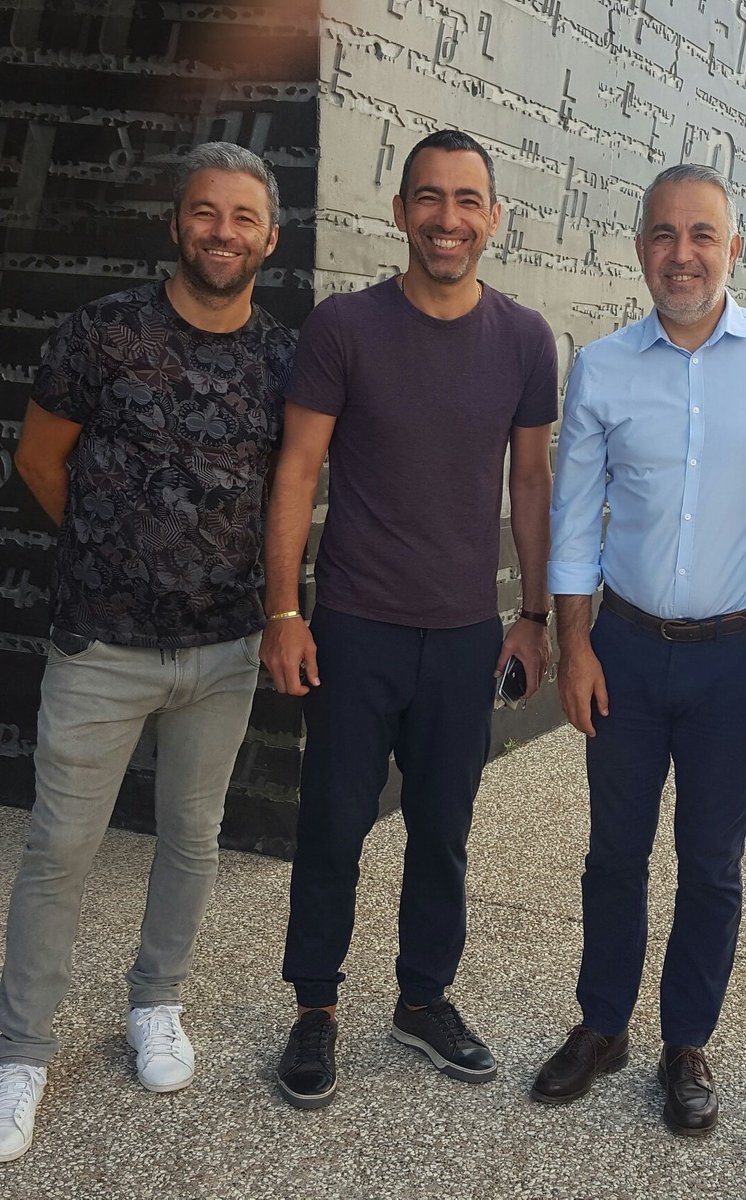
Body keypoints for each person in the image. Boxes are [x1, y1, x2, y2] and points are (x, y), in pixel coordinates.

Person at [0, 142, 294, 1161]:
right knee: (59, 850)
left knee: (192, 838)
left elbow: (290, 492)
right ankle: (21, 1052)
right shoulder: (102, 333)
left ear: (270, 236)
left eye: (243, 217)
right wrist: (114, 548)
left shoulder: (282, 360)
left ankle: (154, 1004)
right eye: (205, 213)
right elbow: (40, 461)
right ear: (178, 223)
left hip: (223, 651)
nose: (223, 232)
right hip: (103, 646)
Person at [536, 163, 746, 1136]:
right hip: (622, 644)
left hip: (734, 661)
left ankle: (686, 1042)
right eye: (663, 234)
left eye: (702, 234)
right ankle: (603, 1024)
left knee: (712, 862)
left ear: (733, 248)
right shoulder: (605, 367)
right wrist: (575, 648)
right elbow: (575, 522)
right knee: (614, 853)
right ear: (640, 249)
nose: (682, 254)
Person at [263, 129, 557, 1109]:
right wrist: (285, 609)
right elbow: (298, 471)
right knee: (333, 827)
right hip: (353, 625)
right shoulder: (345, 327)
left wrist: (536, 617)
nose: (447, 218)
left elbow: (531, 479)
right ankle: (315, 1009)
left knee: (444, 830)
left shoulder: (523, 338)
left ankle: (423, 999)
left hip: (467, 630)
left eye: (467, 200)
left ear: (492, 218)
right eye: (429, 198)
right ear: (400, 212)